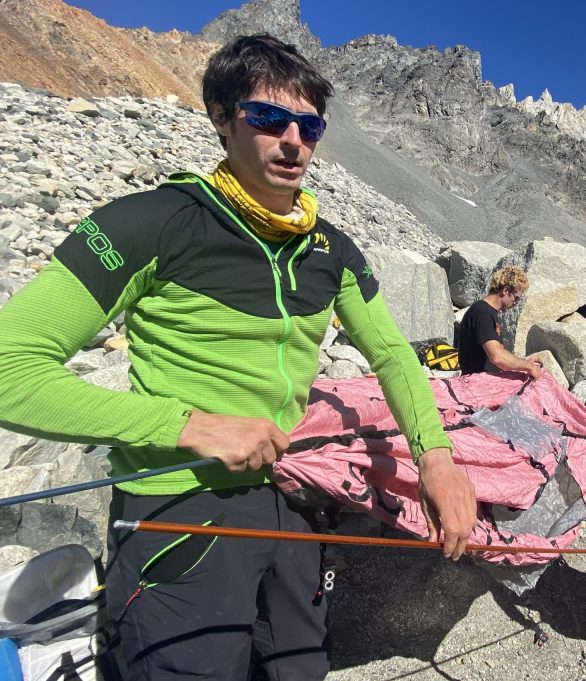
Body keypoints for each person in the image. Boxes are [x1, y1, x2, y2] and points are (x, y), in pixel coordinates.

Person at [0, 34, 476, 681]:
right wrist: (188, 426)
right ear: (222, 116)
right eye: (268, 118)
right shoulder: (152, 221)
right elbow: (10, 368)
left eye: (309, 126)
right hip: (176, 508)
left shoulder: (331, 249)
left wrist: (437, 457)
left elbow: (392, 353)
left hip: (289, 500)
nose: (293, 141)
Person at [457, 266, 543, 378]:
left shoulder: (487, 312)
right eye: (516, 298)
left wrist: (524, 362)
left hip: (485, 378)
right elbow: (497, 356)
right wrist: (528, 366)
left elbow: (499, 354)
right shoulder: (483, 314)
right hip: (478, 383)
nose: (516, 302)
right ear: (506, 290)